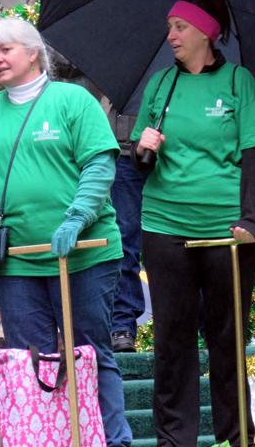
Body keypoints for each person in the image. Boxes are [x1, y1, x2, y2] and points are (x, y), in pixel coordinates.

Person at [0, 18, 132, 446]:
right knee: (33, 363)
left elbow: (99, 164)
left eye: (6, 50)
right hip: (15, 260)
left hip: (83, 253)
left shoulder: (72, 100)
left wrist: (77, 217)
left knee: (90, 353)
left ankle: (112, 440)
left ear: (33, 54)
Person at [130, 0, 255, 446]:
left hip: (227, 231)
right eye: (170, 27)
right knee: (171, 342)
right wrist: (142, 148)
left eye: (180, 27)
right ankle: (176, 440)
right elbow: (139, 162)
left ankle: (236, 437)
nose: (171, 35)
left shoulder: (238, 82)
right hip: (164, 225)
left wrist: (250, 221)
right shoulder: (161, 84)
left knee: (226, 340)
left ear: (206, 32)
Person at [108, 109, 147, 352]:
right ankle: (122, 325)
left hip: (181, 152)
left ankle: (202, 327)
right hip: (124, 147)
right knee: (123, 239)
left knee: (182, 240)